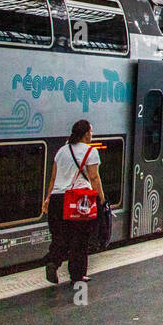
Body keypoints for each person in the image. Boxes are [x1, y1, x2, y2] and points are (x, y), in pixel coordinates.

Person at [41, 119, 105, 285]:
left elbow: (53, 178)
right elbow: (94, 177)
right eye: (91, 132)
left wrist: (48, 198)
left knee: (60, 236)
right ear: (86, 134)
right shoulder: (91, 152)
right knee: (79, 238)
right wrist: (101, 198)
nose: (92, 134)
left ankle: (53, 262)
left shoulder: (62, 151)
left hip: (57, 199)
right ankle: (77, 274)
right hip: (78, 200)